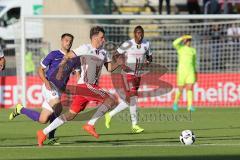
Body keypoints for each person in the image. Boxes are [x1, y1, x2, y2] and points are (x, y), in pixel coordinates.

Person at [36, 26, 123, 147]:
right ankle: (90, 125)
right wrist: (61, 69)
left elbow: (109, 68)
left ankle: (43, 132)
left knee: (70, 115)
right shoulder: (85, 48)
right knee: (111, 100)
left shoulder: (103, 52)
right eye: (102, 37)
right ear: (94, 37)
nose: (104, 40)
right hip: (86, 85)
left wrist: (118, 63)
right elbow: (68, 55)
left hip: (87, 88)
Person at [9, 33, 75, 145]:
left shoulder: (73, 58)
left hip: (58, 90)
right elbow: (40, 70)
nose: (68, 43)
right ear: (61, 41)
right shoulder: (54, 54)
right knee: (59, 108)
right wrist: (46, 82)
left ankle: (20, 109)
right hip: (49, 86)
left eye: (70, 41)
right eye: (66, 40)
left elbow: (71, 74)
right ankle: (50, 137)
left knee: (43, 119)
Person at [104, 25, 152, 133]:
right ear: (134, 34)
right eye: (138, 33)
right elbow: (116, 55)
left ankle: (110, 115)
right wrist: (121, 64)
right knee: (134, 98)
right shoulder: (128, 44)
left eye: (141, 33)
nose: (140, 35)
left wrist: (148, 61)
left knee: (129, 100)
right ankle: (134, 125)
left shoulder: (147, 44)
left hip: (138, 75)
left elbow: (149, 56)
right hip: (127, 75)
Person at [172, 35, 196, 112]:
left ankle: (190, 106)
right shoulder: (180, 48)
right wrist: (182, 37)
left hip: (191, 71)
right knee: (180, 89)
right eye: (187, 40)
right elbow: (174, 43)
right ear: (184, 41)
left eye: (189, 40)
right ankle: (175, 103)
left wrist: (195, 71)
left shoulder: (193, 50)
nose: (189, 41)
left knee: (190, 88)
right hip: (182, 71)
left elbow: (194, 62)